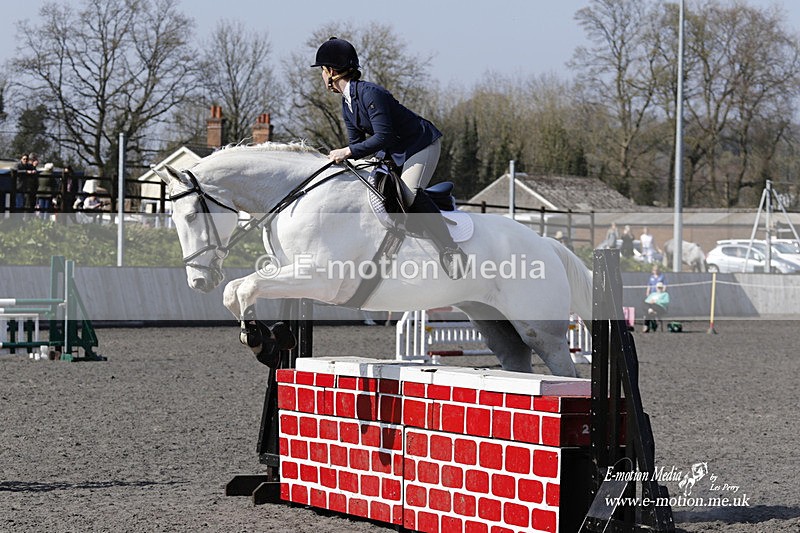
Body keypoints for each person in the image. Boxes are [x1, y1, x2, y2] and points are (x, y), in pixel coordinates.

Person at [311, 36, 467, 279]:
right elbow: (357, 144)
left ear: (330, 71)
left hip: (420, 145)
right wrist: (348, 158)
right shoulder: (347, 103)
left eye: (321, 70)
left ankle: (451, 249)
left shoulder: (371, 94)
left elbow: (381, 137)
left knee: (409, 193)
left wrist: (346, 152)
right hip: (395, 152)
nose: (321, 76)